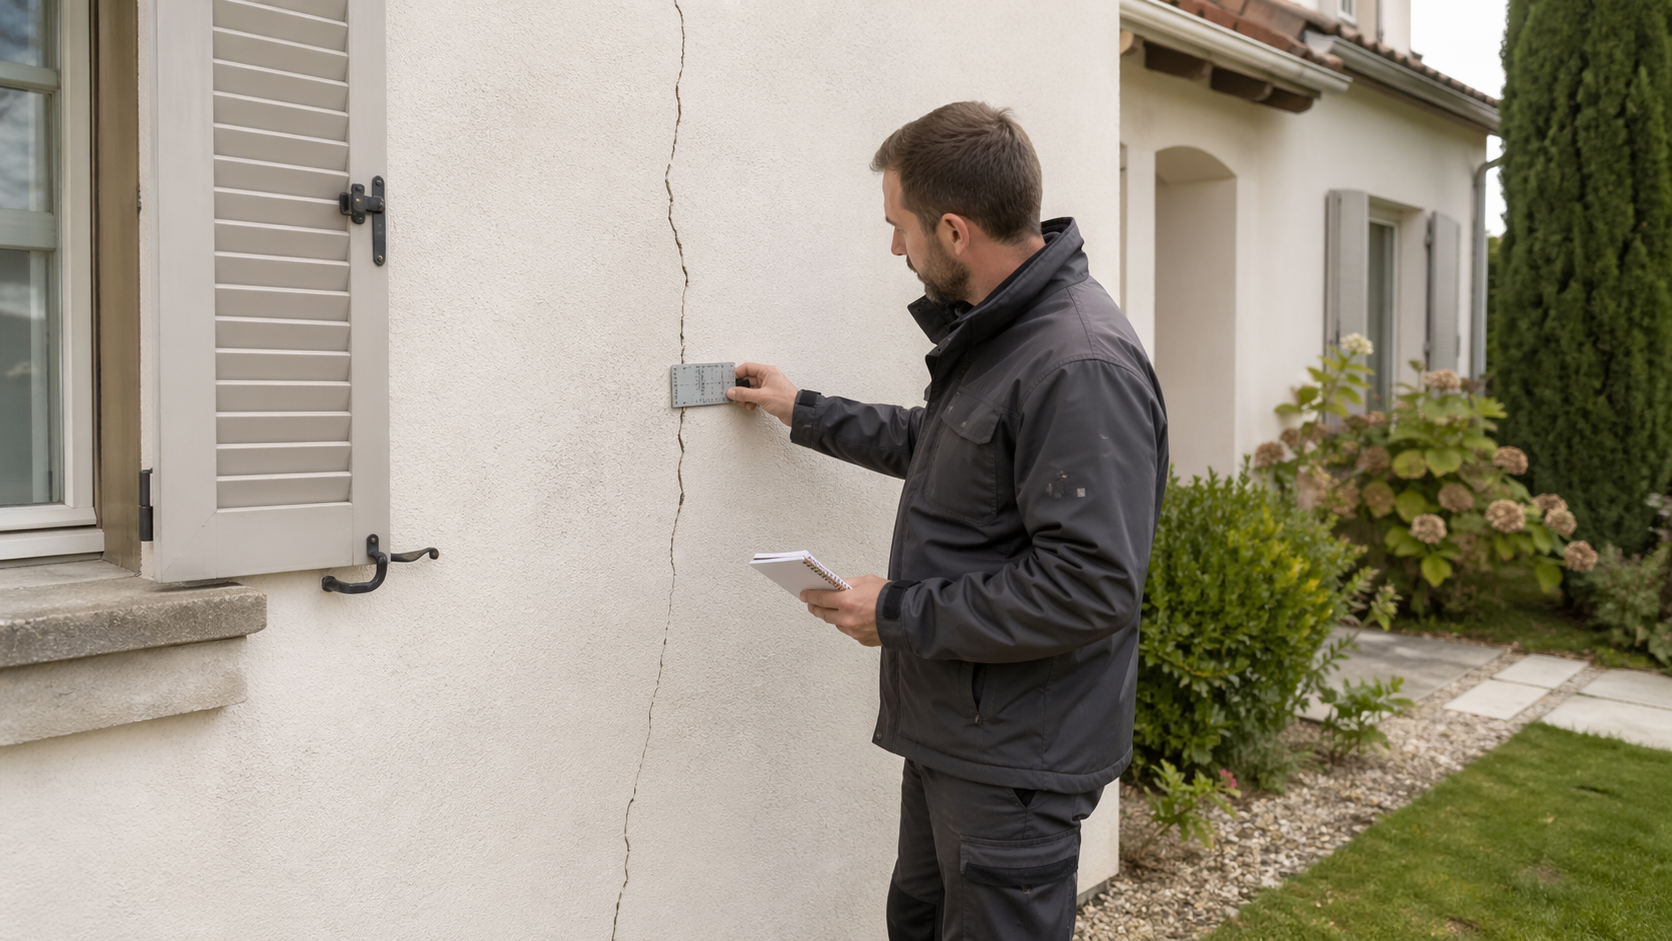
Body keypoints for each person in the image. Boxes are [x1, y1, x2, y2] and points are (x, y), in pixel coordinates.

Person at [727, 101, 1168, 941]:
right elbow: (945, 446)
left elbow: (1090, 585)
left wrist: (893, 611)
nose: (897, 247)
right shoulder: (1007, 335)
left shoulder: (1076, 363)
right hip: (961, 739)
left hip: (1014, 764)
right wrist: (801, 409)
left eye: (901, 226)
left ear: (956, 230)